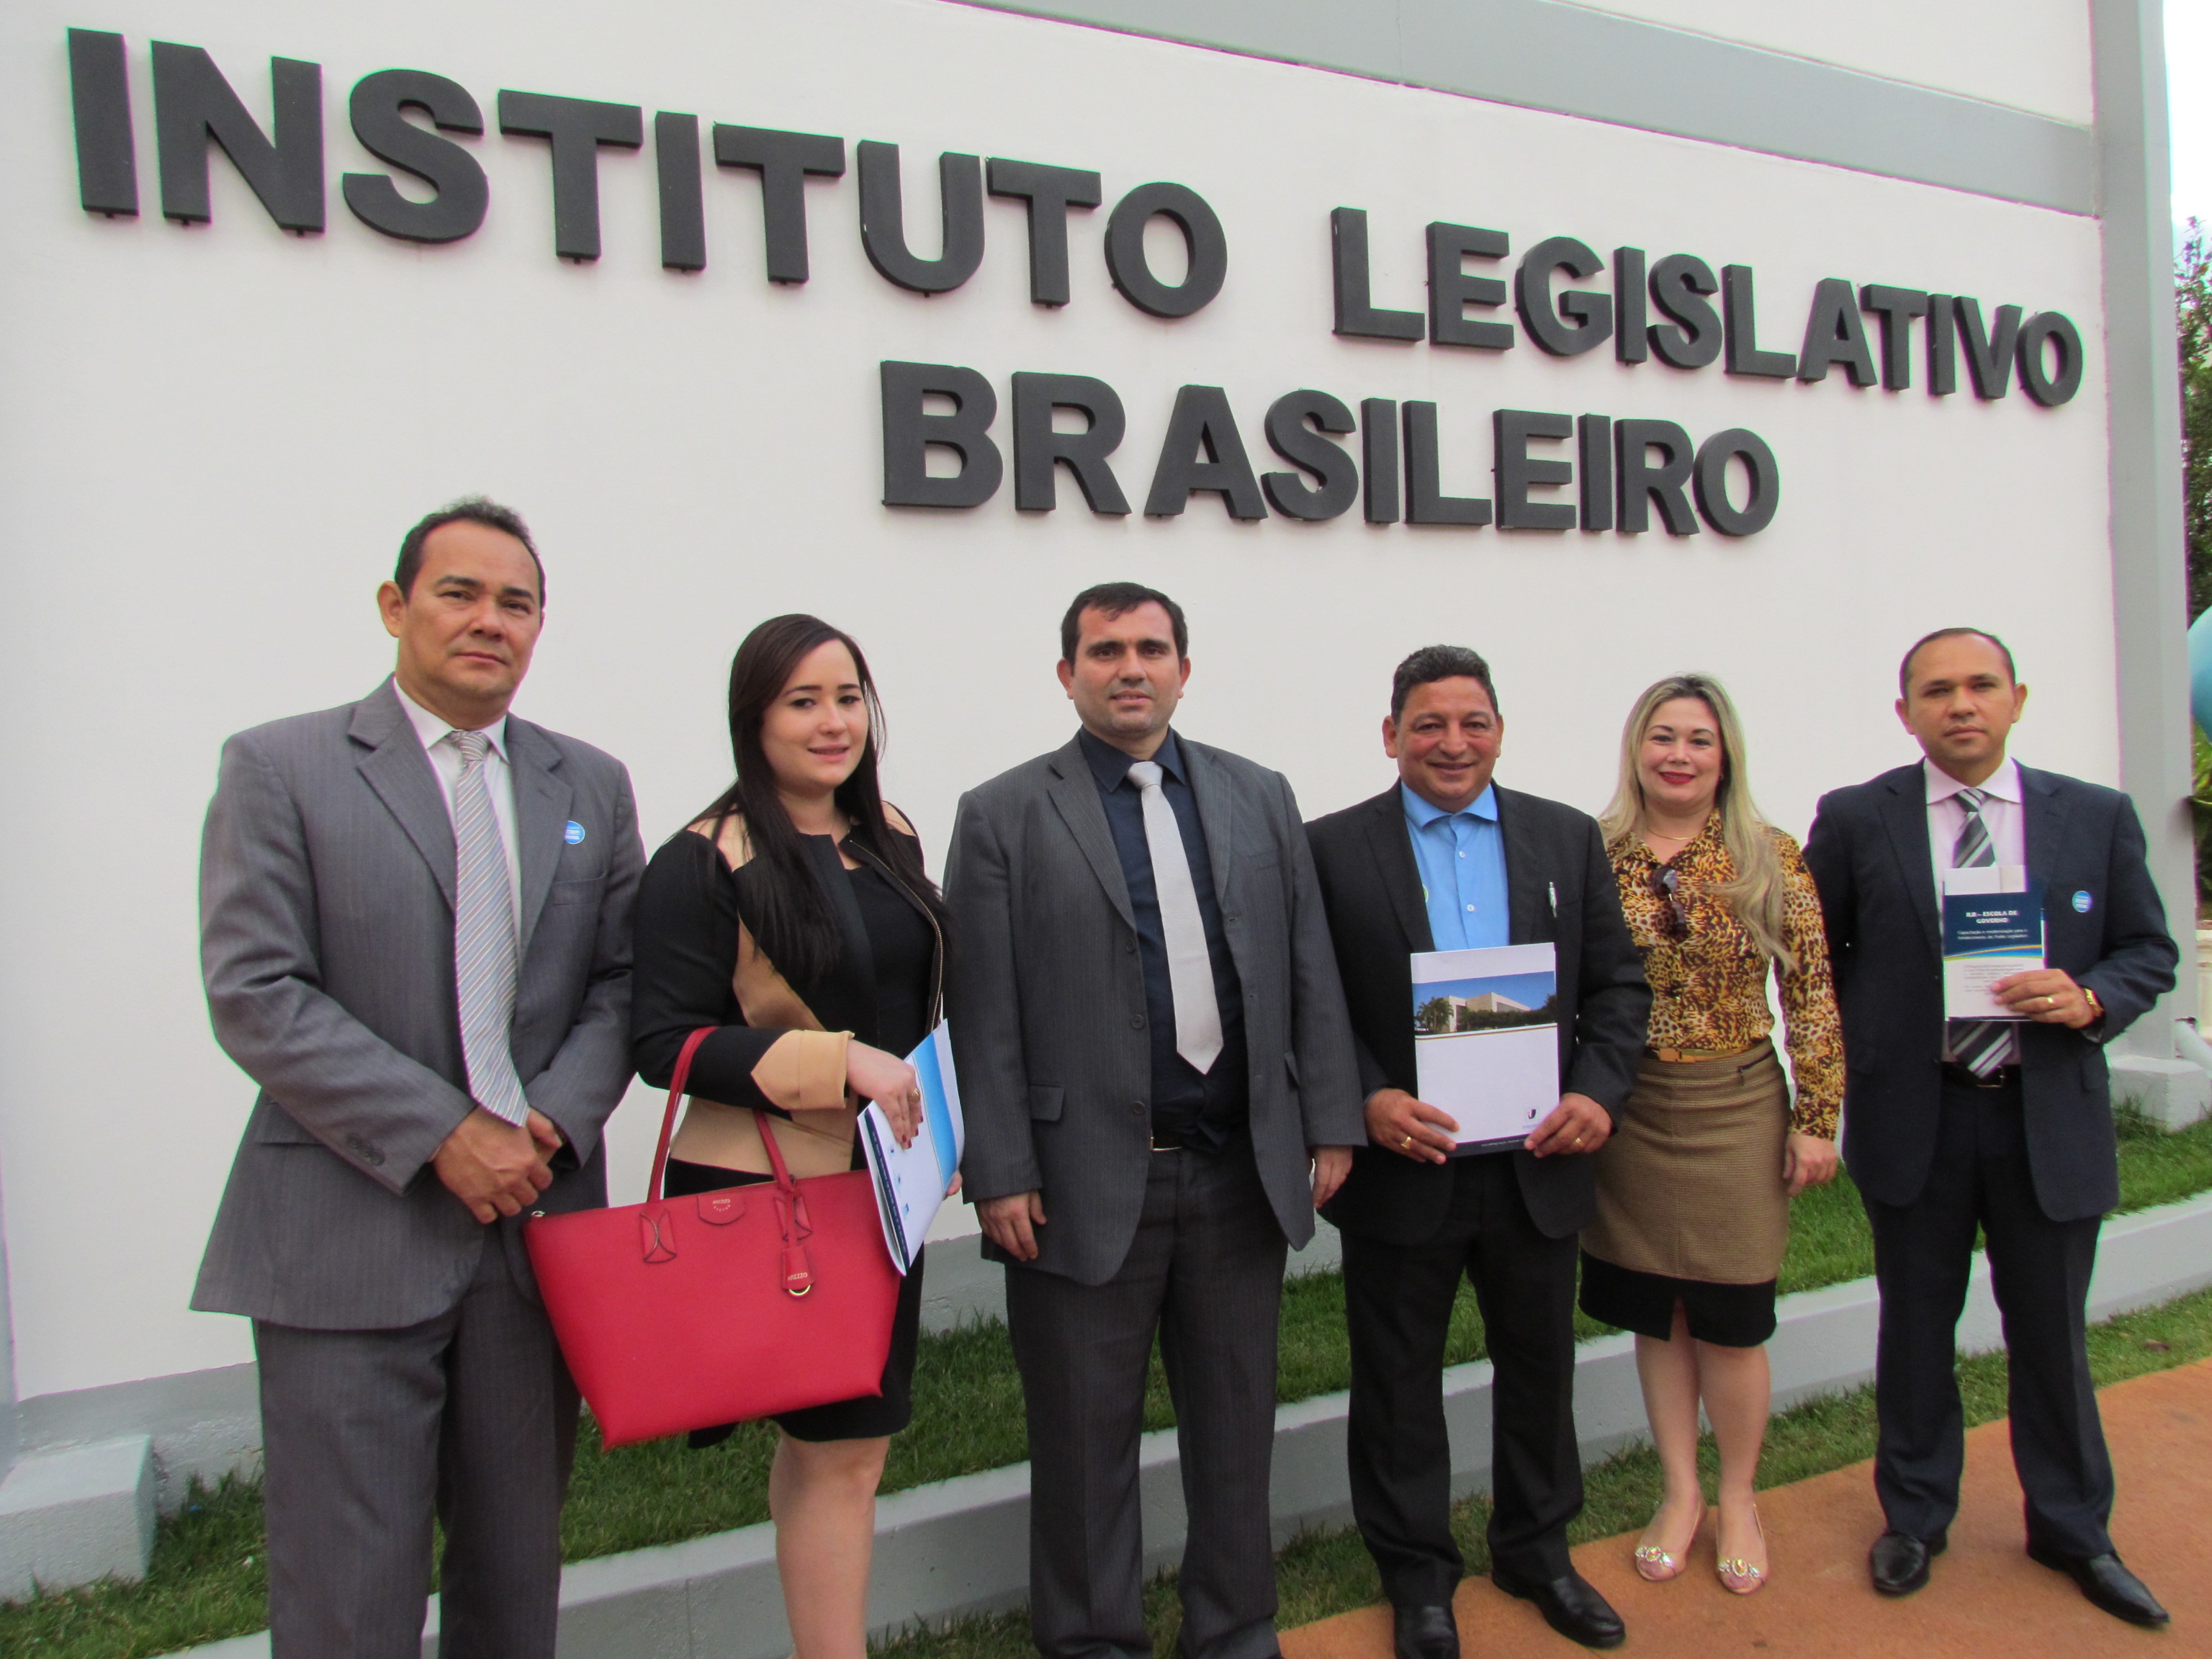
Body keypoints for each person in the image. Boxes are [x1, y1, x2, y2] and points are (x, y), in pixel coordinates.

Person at [192, 498, 643, 1659]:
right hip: (349, 1237)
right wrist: (448, 1130)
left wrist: (547, 1120)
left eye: (517, 602)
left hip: (528, 1238)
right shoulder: (282, 766)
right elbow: (258, 990)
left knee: (514, 1574)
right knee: (349, 1591)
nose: (489, 621)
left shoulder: (586, 783)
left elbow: (622, 982)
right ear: (396, 607)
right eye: (460, 593)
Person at [946, 582, 1364, 1659]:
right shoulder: (1001, 814)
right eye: (1103, 650)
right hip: (1081, 1183)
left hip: (1237, 1177)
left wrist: (1329, 1120)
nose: (1129, 667)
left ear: (1185, 666)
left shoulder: (1257, 794)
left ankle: (1235, 1632)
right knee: (1084, 1448)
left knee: (1235, 1431)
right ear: (1066, 673)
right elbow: (981, 1010)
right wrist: (998, 1169)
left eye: (1151, 647)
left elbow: (1306, 965)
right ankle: (1093, 1642)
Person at [1802, 627, 2176, 1627]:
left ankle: (2072, 1528)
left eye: (1979, 686)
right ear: (1905, 712)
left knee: (2051, 1336)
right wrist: (1866, 1047)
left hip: (2043, 1114)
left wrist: (2090, 997)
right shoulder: (1854, 818)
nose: (1959, 704)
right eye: (1936, 691)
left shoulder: (2093, 818)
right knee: (1915, 1331)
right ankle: (1916, 1517)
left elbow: (2149, 948)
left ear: (2017, 697)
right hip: (1917, 1118)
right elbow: (1814, 960)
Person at [1304, 645, 1649, 1657]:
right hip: (1407, 1168)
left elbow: (1620, 988)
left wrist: (1598, 1090)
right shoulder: (1328, 848)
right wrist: (1364, 1095)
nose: (1452, 742)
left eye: (1473, 722)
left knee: (1540, 1366)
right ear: (1391, 736)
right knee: (1399, 1380)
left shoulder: (1564, 837)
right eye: (1428, 723)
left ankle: (1538, 1552)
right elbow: (1309, 1000)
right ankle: (1417, 1577)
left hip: (1539, 1161)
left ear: (1501, 729)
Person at [630, 614, 948, 1659]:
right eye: (802, 702)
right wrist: (840, 1062)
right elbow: (665, 1043)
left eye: (847, 697)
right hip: (783, 1198)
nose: (832, 722)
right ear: (752, 719)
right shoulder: (703, 860)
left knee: (842, 1448)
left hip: (882, 1192)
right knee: (841, 1448)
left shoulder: (889, 831)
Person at [1580, 674, 1842, 1596]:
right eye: (1661, 737)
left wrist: (1818, 1118)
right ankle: (1679, 1492)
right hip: (1632, 1111)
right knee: (1659, 1309)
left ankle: (1739, 1496)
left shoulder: (1769, 854)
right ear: (1636, 749)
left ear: (1723, 752)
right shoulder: (1593, 852)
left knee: (1730, 1316)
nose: (1678, 755)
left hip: (1736, 1105)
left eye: (1697, 738)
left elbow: (1810, 992)